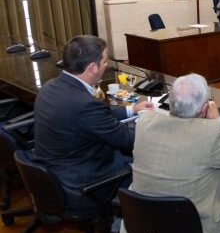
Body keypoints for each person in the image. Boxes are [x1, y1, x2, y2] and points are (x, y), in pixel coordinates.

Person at [121, 73, 220, 233]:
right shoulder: (210, 133)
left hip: (145, 223)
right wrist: (219, 120)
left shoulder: (145, 122)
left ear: (170, 102)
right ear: (204, 108)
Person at [33, 35, 154, 212]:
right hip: (83, 180)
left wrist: (132, 110)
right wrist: (158, 127)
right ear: (92, 67)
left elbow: (94, 113)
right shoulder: (84, 105)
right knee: (149, 162)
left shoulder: (50, 87)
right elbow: (128, 140)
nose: (107, 66)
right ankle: (133, 224)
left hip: (54, 171)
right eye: (105, 61)